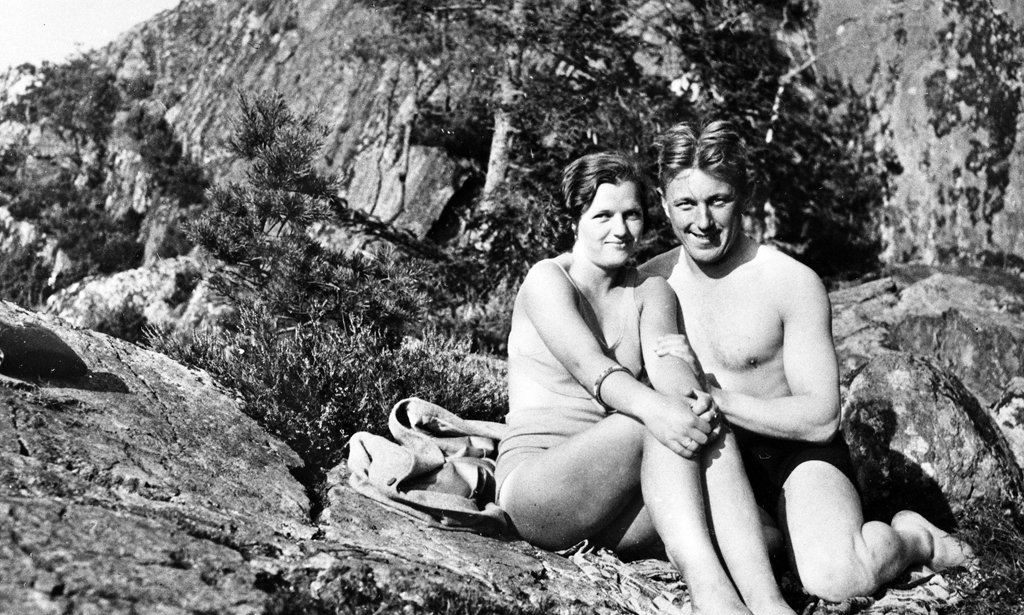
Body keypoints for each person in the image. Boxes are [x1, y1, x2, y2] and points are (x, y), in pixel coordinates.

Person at [640, 119, 975, 602]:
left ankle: (914, 537)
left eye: (718, 200)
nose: (703, 221)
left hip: (794, 456)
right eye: (686, 204)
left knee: (837, 578)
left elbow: (820, 418)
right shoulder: (651, 283)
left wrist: (715, 398)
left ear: (745, 194)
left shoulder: (789, 281)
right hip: (710, 459)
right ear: (663, 201)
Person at [495, 151, 796, 615]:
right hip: (539, 487)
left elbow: (668, 370)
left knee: (765, 534)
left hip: (612, 493)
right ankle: (711, 596)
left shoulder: (650, 291)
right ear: (574, 220)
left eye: (631, 215)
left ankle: (768, 603)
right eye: (603, 216)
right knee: (651, 418)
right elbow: (590, 367)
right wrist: (662, 408)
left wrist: (691, 396)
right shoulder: (548, 280)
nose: (620, 230)